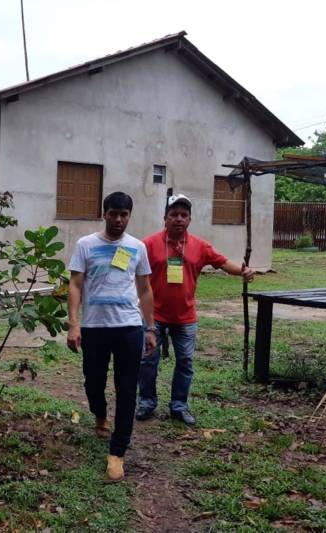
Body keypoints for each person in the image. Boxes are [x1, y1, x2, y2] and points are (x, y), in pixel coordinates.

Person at [136, 194, 255, 426]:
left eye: (184, 215)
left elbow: (222, 262)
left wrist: (243, 271)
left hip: (185, 318)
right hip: (153, 316)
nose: (179, 219)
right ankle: (147, 403)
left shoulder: (200, 246)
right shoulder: (149, 244)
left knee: (185, 363)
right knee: (147, 361)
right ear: (165, 218)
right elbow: (131, 266)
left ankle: (179, 406)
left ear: (189, 219)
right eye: (174, 215)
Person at [67, 191, 157, 481]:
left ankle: (117, 452)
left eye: (124, 214)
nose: (118, 219)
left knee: (127, 389)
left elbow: (144, 290)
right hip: (94, 327)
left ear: (129, 216)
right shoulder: (86, 245)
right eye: (113, 213)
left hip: (129, 327)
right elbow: (76, 285)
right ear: (104, 213)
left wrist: (151, 327)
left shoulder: (137, 247)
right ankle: (100, 413)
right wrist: (73, 324)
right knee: (93, 382)